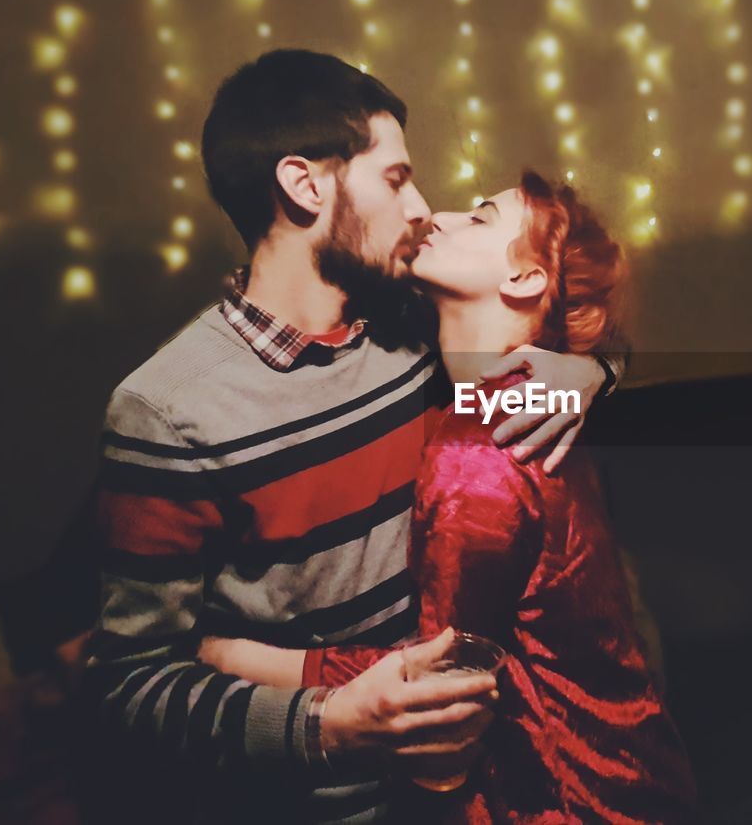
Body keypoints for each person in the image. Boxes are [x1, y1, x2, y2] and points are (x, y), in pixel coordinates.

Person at [85, 50, 621, 823]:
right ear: (305, 185)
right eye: (397, 178)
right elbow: (131, 683)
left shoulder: (411, 329)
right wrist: (329, 724)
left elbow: (544, 321)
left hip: (470, 788)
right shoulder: (166, 411)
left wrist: (590, 370)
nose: (421, 208)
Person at [201, 172, 697, 824]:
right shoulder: (495, 384)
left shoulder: (483, 448)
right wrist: (588, 367)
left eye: (483, 217)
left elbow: (445, 671)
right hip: (635, 767)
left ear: (523, 281)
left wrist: (238, 657)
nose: (441, 212)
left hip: (569, 796)